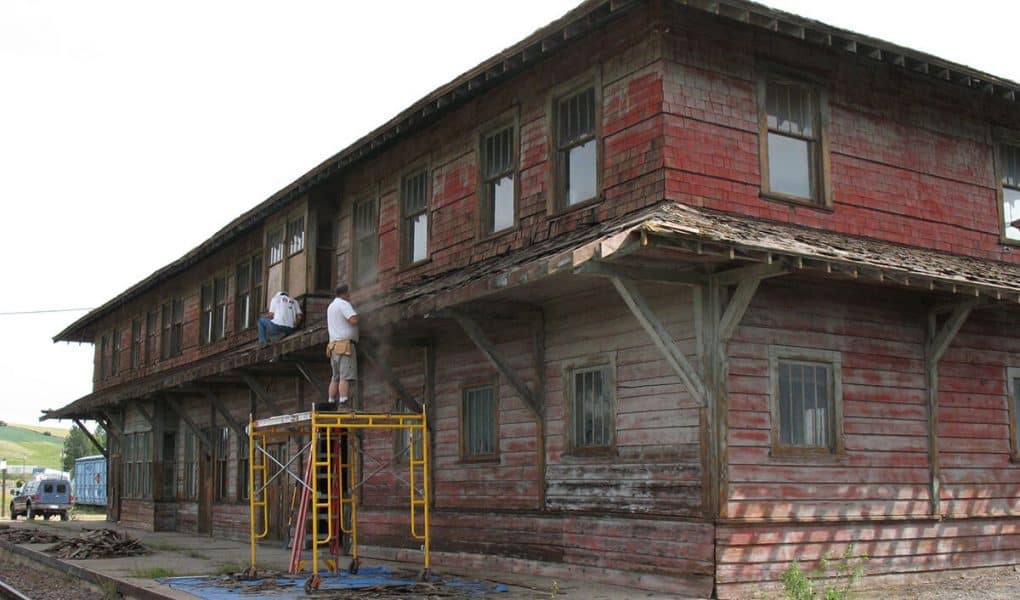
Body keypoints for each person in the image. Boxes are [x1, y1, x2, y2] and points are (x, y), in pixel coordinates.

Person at [325, 284, 359, 406]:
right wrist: (358, 316)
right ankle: (343, 402)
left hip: (333, 346)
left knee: (335, 377)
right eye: (349, 293)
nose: (350, 295)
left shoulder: (331, 306)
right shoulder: (343, 304)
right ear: (344, 293)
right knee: (345, 376)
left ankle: (331, 401)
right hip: (344, 346)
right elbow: (353, 320)